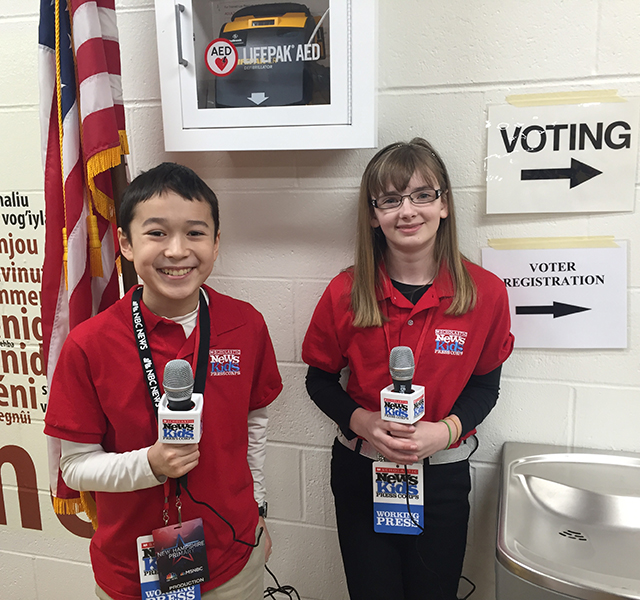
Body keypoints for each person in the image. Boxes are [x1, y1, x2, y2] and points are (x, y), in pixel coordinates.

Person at [44, 163, 282, 600]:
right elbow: (75, 467)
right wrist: (150, 465)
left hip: (234, 558)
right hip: (134, 574)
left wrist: (258, 508)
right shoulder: (89, 344)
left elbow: (254, 426)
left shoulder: (245, 324)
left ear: (215, 244)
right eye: (156, 233)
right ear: (126, 245)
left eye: (195, 233)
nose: (177, 250)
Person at [302, 138, 514, 600]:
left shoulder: (486, 294)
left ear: (445, 205)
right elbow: (318, 380)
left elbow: (486, 386)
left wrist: (446, 430)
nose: (407, 211)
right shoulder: (344, 292)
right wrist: (360, 421)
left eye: (422, 195)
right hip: (362, 474)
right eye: (391, 199)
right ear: (374, 215)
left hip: (441, 476)